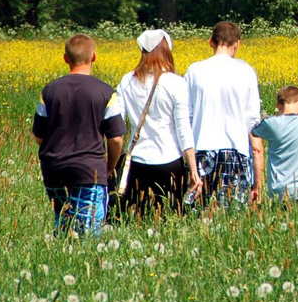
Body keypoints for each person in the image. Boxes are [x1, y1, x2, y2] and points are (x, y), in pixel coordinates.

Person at [33, 34, 126, 235]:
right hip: (90, 170)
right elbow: (116, 138)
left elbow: (39, 134)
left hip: (54, 169)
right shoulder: (106, 92)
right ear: (94, 57)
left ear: (65, 58)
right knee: (88, 234)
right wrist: (109, 167)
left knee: (63, 225)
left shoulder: (49, 90)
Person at [115, 30, 202, 215]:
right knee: (169, 219)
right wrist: (193, 170)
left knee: (136, 220)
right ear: (166, 51)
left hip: (136, 162)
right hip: (169, 161)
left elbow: (117, 123)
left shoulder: (126, 81)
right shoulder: (176, 83)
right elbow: (183, 130)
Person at [184, 21, 263, 207]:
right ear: (237, 43)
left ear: (211, 41)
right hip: (236, 150)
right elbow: (252, 122)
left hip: (201, 150)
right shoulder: (246, 72)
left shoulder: (194, 70)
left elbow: (186, 116)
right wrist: (258, 178)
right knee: (233, 217)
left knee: (197, 213)